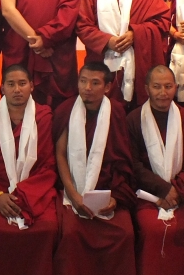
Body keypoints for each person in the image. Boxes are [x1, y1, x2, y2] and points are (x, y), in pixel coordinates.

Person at [127, 65, 184, 275]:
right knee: (153, 229)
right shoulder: (133, 120)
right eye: (156, 86)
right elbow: (132, 164)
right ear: (146, 88)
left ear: (176, 87)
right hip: (147, 194)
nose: (163, 92)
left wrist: (176, 190)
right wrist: (163, 189)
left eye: (168, 86)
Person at [53, 62, 136, 275]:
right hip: (72, 188)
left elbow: (123, 161)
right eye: (83, 81)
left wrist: (115, 198)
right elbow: (60, 155)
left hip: (108, 190)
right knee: (70, 234)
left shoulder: (116, 112)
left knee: (125, 233)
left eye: (95, 83)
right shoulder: (66, 110)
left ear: (107, 87)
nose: (87, 88)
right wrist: (73, 195)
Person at [0, 64, 57, 275]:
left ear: (32, 86)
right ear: (2, 87)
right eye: (11, 84)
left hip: (35, 187)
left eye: (22, 83)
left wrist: (26, 192)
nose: (17, 89)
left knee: (48, 228)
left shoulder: (44, 116)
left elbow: (48, 165)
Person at [76, 0, 170, 109]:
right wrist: (107, 41)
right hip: (101, 64)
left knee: (133, 113)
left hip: (136, 63)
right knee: (102, 110)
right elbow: (82, 26)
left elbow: (163, 20)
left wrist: (135, 34)